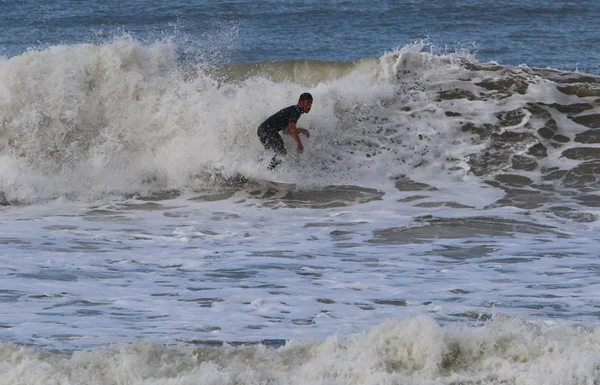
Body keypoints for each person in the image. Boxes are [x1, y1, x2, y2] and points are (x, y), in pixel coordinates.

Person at [257, 92, 313, 169]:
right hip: (267, 131)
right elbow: (291, 128)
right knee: (282, 153)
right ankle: (268, 171)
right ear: (301, 102)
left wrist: (300, 130)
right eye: (308, 103)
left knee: (270, 153)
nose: (309, 106)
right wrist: (299, 143)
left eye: (311, 103)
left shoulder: (294, 110)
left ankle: (258, 169)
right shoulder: (296, 111)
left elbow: (286, 131)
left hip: (261, 130)